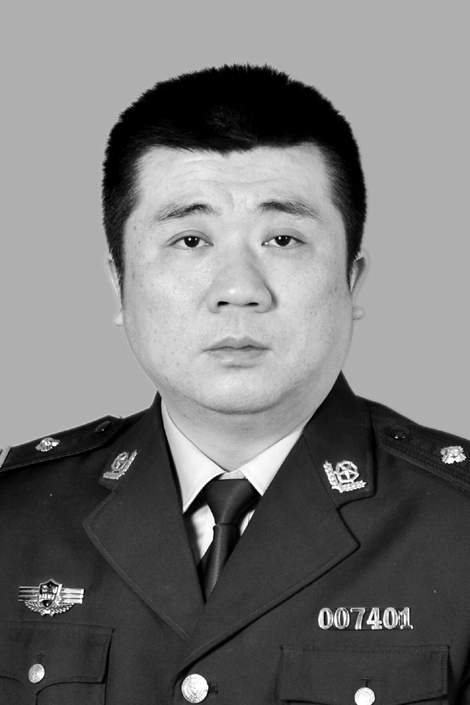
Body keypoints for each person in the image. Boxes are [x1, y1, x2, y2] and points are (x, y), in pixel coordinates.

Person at [0, 64, 469, 704]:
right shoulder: (16, 518)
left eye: (283, 238)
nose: (239, 290)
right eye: (190, 239)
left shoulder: (458, 526)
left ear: (352, 280)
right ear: (118, 284)